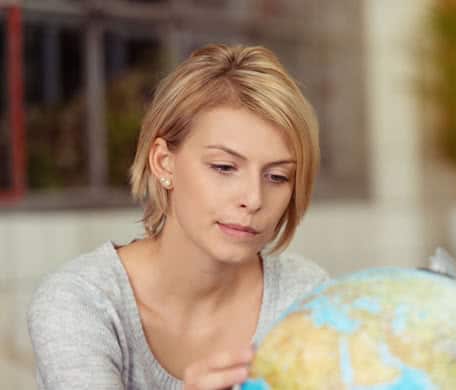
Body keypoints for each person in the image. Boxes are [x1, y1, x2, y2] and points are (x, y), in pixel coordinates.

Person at [27, 44, 329, 390]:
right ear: (163, 162)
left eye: (277, 177)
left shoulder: (305, 296)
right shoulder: (79, 301)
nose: (253, 199)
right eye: (224, 167)